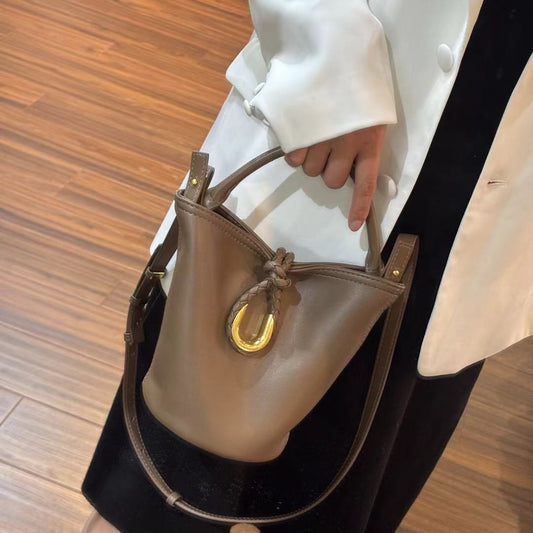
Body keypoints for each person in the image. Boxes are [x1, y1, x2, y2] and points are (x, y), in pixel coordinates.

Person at [81, 0, 531, 531]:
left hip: (487, 228)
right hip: (322, 138)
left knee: (342, 503)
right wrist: (329, 69)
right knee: (156, 501)